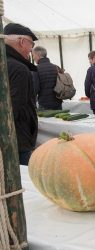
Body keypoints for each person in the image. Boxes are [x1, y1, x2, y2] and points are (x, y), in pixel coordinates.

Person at [4, 23, 39, 165]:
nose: (31, 50)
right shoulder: (19, 69)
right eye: (31, 44)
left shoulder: (5, 62)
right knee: (24, 180)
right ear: (22, 41)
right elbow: (15, 109)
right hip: (17, 138)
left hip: (7, 138)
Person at [32, 46, 62, 110]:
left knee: (45, 120)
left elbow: (35, 88)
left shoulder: (36, 69)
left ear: (38, 55)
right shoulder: (56, 67)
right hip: (58, 102)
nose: (33, 57)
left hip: (44, 104)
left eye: (33, 55)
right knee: (58, 120)